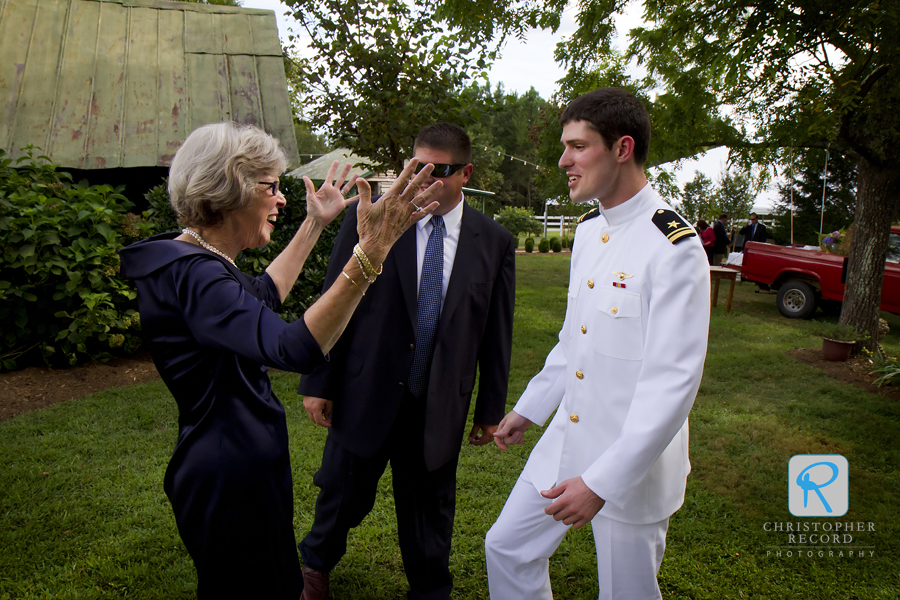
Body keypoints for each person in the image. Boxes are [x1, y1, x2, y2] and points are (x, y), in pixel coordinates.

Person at [119, 122, 443, 599]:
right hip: (229, 477)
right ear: (230, 187)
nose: (281, 198)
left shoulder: (195, 261)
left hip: (234, 463)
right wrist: (372, 252)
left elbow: (263, 295)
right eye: (270, 186)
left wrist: (315, 223)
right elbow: (294, 348)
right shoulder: (197, 275)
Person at [484, 88, 710, 600]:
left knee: (625, 593)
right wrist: (529, 408)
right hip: (568, 435)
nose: (563, 160)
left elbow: (673, 384)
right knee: (507, 548)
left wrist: (602, 482)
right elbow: (574, 339)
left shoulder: (672, 247)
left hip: (633, 463)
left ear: (622, 148)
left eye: (577, 146)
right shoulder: (589, 232)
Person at [297, 123, 516, 600]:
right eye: (416, 169)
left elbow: (497, 332)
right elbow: (333, 297)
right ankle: (314, 567)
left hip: (437, 403)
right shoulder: (373, 216)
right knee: (341, 493)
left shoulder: (494, 241)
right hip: (366, 389)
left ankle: (431, 588)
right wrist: (320, 379)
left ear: (466, 173)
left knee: (430, 509)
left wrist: (490, 410)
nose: (423, 181)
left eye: (439, 172)